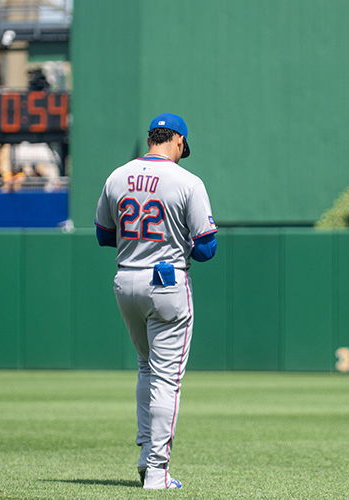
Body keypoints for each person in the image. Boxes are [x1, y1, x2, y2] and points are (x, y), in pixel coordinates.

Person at [94, 112, 217, 490]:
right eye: (184, 147)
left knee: (146, 368)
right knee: (166, 378)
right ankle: (158, 471)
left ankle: (147, 457)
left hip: (125, 279)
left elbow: (103, 235)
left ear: (151, 138)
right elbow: (207, 248)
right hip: (165, 282)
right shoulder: (186, 181)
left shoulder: (117, 175)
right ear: (178, 141)